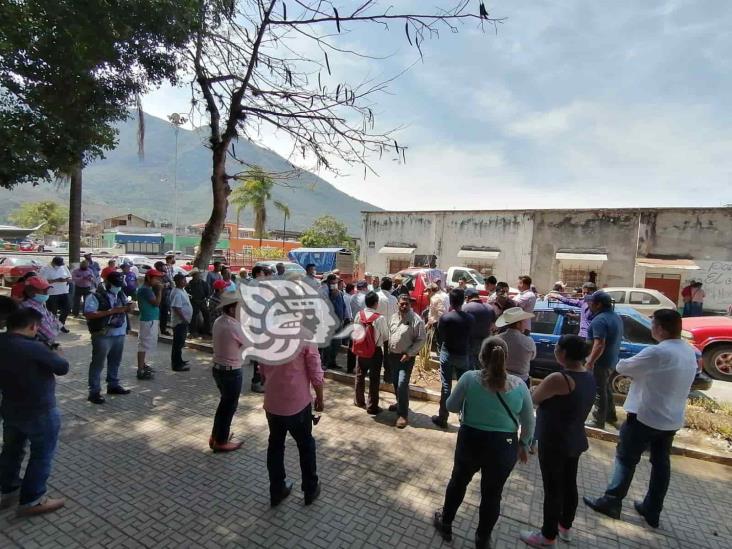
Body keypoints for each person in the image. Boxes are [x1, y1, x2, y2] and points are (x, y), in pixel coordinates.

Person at [583, 309, 697, 529]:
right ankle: (652, 509)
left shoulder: (658, 352)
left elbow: (622, 367)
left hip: (645, 416)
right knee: (661, 464)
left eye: (653, 324)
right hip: (671, 418)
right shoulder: (687, 350)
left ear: (661, 328)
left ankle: (612, 501)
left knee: (626, 459)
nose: (651, 327)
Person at [433, 337, 535, 549]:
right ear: (506, 358)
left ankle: (446, 524)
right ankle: (482, 539)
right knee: (492, 494)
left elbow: (451, 406)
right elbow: (529, 421)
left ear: (481, 357)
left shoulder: (470, 378)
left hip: (471, 439)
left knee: (458, 482)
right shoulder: (520, 386)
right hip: (504, 445)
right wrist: (524, 444)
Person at [519, 335, 596, 547]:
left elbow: (534, 398)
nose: (554, 350)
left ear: (563, 353)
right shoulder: (588, 376)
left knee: (553, 489)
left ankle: (547, 535)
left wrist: (535, 390)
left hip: (554, 440)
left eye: (556, 347)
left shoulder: (559, 379)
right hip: (574, 438)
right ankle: (565, 526)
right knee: (569, 484)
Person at [0, 308, 69, 516]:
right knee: (41, 455)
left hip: (11, 407)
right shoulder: (34, 347)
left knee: (12, 450)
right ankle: (32, 500)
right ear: (32, 326)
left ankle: (8, 487)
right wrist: (56, 352)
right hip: (40, 410)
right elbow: (62, 367)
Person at [259, 343, 325, 507]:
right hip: (298, 406)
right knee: (306, 445)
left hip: (273, 404)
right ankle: (310, 489)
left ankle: (277, 490)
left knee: (275, 445)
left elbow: (262, 369)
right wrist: (320, 398)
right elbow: (315, 371)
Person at [84, 271, 132, 404]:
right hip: (103, 334)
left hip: (119, 333)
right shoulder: (95, 295)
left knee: (115, 361)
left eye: (120, 285)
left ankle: (113, 384)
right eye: (116, 284)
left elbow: (123, 308)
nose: (119, 287)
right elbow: (89, 314)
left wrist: (128, 308)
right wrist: (111, 311)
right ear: (107, 283)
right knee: (98, 363)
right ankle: (94, 391)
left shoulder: (120, 293)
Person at [209, 292, 246, 453]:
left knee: (224, 404)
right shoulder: (233, 326)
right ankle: (221, 441)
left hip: (218, 368)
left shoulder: (220, 321)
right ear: (231, 309)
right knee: (229, 406)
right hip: (231, 371)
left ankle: (216, 436)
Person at [432, 289, 475, 429]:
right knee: (464, 388)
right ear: (463, 301)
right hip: (463, 355)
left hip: (448, 353)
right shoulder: (470, 318)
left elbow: (441, 336)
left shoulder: (445, 318)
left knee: (446, 387)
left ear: (450, 301)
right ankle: (465, 419)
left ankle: (442, 418)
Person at [386, 294, 427, 428]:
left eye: (406, 304)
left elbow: (421, 339)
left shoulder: (416, 320)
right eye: (401, 304)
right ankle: (399, 402)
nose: (404, 306)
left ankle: (403, 415)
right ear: (397, 304)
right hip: (393, 356)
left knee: (403, 383)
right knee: (396, 382)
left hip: (406, 358)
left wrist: (409, 353)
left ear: (410, 305)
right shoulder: (393, 317)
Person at [585, 291, 623, 429]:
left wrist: (590, 362)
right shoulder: (615, 317)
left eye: (591, 302)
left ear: (598, 304)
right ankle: (610, 415)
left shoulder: (600, 320)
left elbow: (599, 344)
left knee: (599, 391)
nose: (589, 305)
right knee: (605, 389)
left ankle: (598, 420)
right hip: (611, 360)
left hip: (601, 361)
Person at [353, 291, 389, 414]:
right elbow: (385, 337)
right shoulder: (380, 318)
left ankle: (359, 400)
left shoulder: (359, 315)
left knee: (359, 376)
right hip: (375, 352)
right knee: (374, 379)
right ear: (376, 303)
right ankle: (372, 407)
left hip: (361, 350)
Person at [136, 269, 165, 381]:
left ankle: (143, 365)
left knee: (146, 343)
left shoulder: (147, 289)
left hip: (150, 319)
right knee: (143, 344)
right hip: (148, 320)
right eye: (156, 278)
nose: (158, 281)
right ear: (148, 278)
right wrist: (159, 291)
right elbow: (157, 303)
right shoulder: (146, 290)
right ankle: (140, 369)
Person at [497, 307, 537, 386]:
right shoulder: (528, 341)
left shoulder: (497, 339)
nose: (525, 324)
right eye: (524, 322)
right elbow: (532, 357)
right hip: (521, 381)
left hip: (500, 378)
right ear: (518, 324)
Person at [19, 277, 61, 348]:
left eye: (47, 290)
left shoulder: (40, 304)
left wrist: (56, 324)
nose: (46, 293)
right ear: (30, 292)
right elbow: (49, 333)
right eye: (43, 290)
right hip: (37, 345)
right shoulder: (30, 308)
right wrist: (55, 327)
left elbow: (54, 318)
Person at [462, 288, 496, 369]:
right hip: (485, 342)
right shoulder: (490, 308)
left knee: (470, 368)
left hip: (470, 343)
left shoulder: (465, 308)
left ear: (467, 297)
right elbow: (493, 325)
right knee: (482, 367)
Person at [39, 256, 71, 333]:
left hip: (64, 291)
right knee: (53, 311)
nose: (59, 266)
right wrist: (56, 280)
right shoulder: (45, 268)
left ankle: (61, 324)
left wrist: (67, 280)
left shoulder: (63, 266)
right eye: (58, 265)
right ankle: (52, 326)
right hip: (52, 292)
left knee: (67, 308)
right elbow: (42, 281)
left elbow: (69, 276)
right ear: (53, 263)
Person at [376, 277, 398, 381]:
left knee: (375, 351)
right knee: (388, 353)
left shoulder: (376, 296)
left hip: (376, 328)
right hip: (389, 330)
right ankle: (388, 376)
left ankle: (373, 372)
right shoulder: (394, 299)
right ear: (390, 287)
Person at [169, 273, 192, 372]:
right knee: (177, 344)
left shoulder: (182, 290)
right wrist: (184, 319)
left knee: (180, 343)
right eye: (183, 280)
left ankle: (180, 360)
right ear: (178, 281)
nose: (185, 282)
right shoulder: (177, 292)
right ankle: (176, 365)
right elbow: (177, 307)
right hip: (179, 322)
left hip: (183, 322)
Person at [186, 268, 212, 337]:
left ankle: (206, 331)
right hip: (193, 302)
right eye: (195, 275)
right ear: (193, 276)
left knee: (207, 315)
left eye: (197, 274)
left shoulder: (204, 283)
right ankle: (193, 331)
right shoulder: (189, 284)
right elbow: (187, 293)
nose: (197, 276)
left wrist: (206, 298)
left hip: (202, 301)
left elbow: (207, 293)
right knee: (193, 317)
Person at [159, 254, 177, 335]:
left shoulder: (171, 267)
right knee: (165, 310)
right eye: (173, 258)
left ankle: (165, 327)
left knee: (169, 309)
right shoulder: (165, 268)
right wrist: (170, 283)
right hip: (165, 291)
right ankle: (163, 328)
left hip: (169, 290)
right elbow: (166, 280)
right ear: (169, 259)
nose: (174, 260)